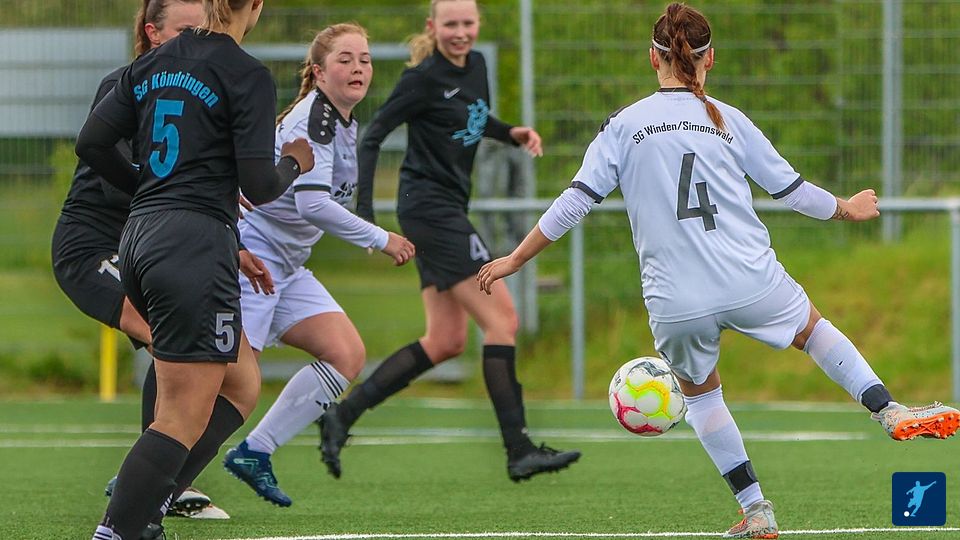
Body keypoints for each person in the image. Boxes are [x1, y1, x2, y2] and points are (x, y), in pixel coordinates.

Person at [476, 3, 960, 538]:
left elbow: (575, 202)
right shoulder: (728, 119)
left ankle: (757, 511)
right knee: (813, 331)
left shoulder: (624, 125)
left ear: (652, 58)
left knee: (702, 397)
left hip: (675, 299)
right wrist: (848, 207)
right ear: (711, 59)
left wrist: (515, 259)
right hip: (750, 278)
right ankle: (887, 409)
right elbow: (793, 192)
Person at [75, 0, 315, 538]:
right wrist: (295, 162)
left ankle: (145, 511)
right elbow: (259, 185)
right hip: (195, 243)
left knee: (239, 382)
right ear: (255, 7)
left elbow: (91, 142)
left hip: (140, 236)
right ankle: (122, 528)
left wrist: (150, 187)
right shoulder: (245, 73)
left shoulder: (151, 63)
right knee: (180, 416)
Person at [318, 0, 581, 483]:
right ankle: (519, 449)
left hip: (445, 210)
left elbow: (473, 117)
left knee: (445, 340)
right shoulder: (421, 79)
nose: (460, 32)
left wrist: (510, 133)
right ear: (432, 27)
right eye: (451, 24)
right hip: (430, 211)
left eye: (467, 23)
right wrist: (367, 216)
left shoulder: (476, 65)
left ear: (477, 24)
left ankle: (341, 416)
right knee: (503, 320)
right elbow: (372, 137)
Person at [54, 0, 261, 520]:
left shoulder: (199, 82)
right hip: (95, 247)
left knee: (241, 377)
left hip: (158, 242)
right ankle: (147, 495)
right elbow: (114, 174)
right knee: (167, 343)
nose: (200, 37)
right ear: (152, 32)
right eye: (187, 29)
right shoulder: (136, 82)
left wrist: (228, 242)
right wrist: (172, 195)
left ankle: (161, 482)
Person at [222, 22, 415, 507]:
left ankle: (254, 452)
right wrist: (381, 238)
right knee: (228, 384)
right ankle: (155, 484)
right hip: (253, 261)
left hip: (286, 265)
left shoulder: (341, 120)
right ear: (319, 71)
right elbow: (313, 205)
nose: (358, 68)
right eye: (345, 59)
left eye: (365, 59)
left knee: (345, 354)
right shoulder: (317, 119)